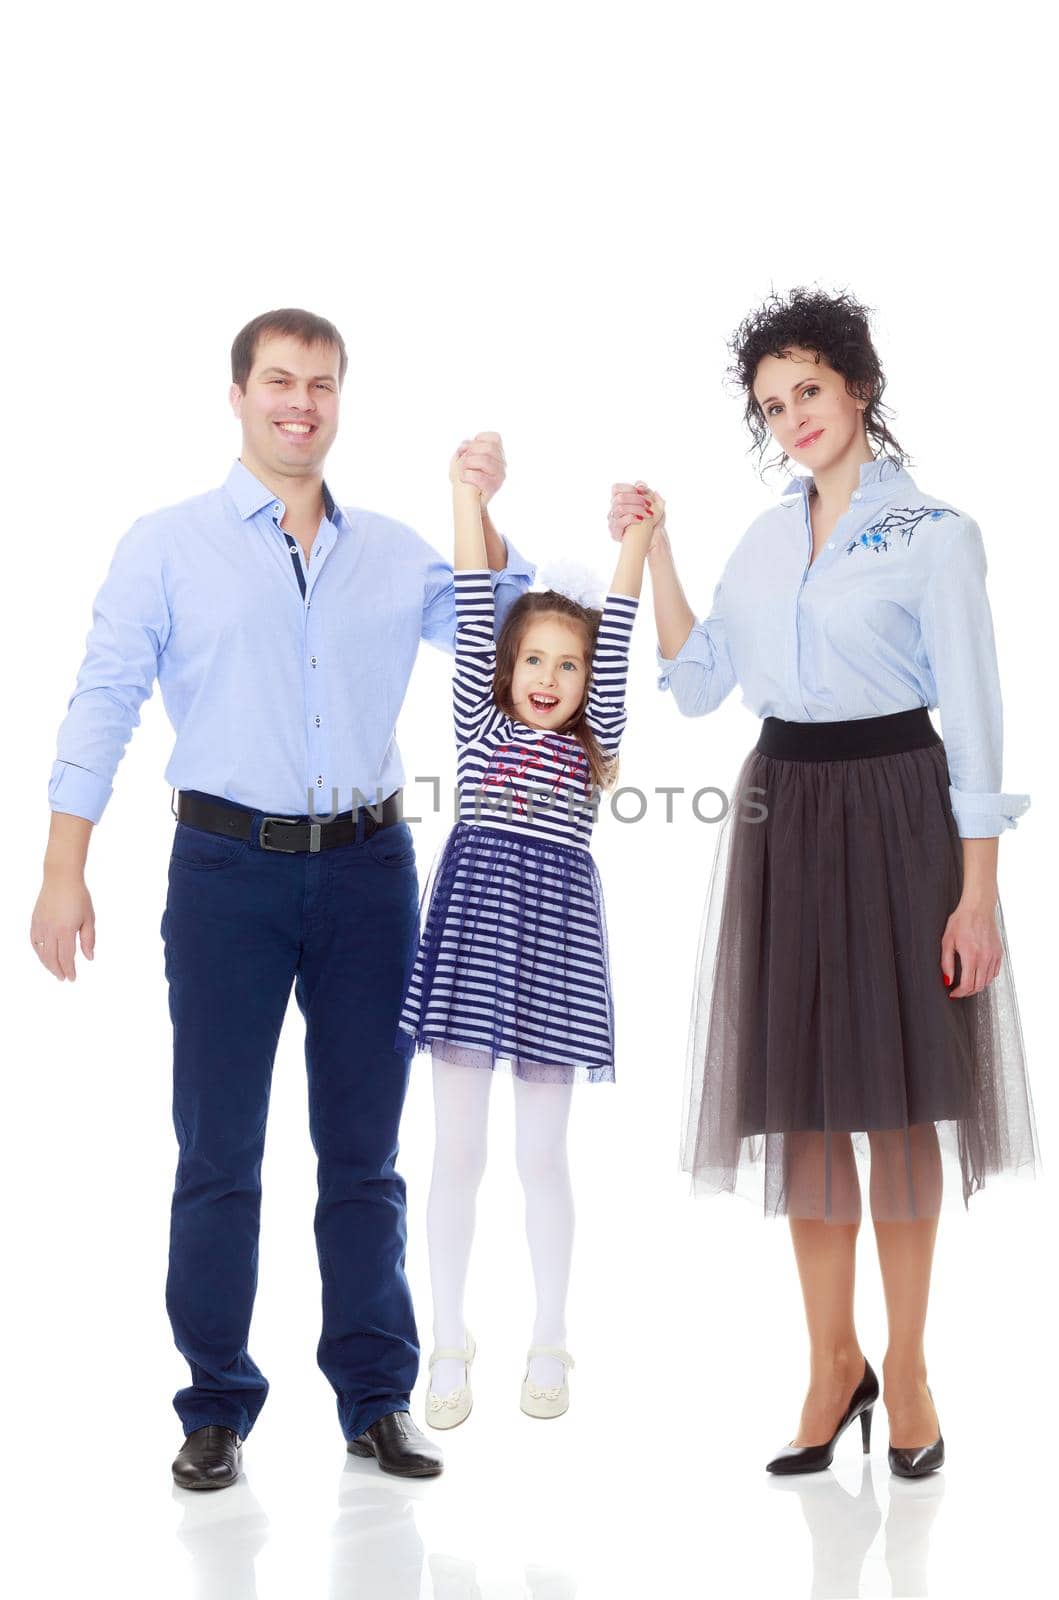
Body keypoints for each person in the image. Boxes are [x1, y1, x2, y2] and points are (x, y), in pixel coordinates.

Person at [30, 307, 534, 1488]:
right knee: (219, 1151)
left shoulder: (399, 549)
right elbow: (103, 698)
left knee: (363, 1152)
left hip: (368, 875)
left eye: (320, 383)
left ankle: (375, 1397)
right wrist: (65, 865)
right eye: (277, 381)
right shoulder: (166, 545)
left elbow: (505, 631)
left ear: (340, 400)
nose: (298, 401)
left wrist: (481, 505)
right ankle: (214, 1404)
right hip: (225, 877)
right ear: (238, 395)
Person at [610, 286, 1038, 1479]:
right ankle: (827, 1364)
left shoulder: (936, 534)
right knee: (800, 1109)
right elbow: (697, 686)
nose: (791, 416)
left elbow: (982, 723)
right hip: (784, 811)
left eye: (807, 390)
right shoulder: (760, 537)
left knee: (899, 1108)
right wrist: (657, 553)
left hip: (899, 808)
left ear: (857, 386)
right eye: (770, 404)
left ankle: (905, 1370)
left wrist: (975, 892)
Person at [396, 444, 658, 1426]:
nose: (550, 678)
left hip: (553, 945)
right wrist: (465, 492)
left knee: (541, 1158)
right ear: (505, 670)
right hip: (469, 939)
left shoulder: (596, 741)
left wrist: (633, 537)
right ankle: (447, 1340)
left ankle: (549, 1338)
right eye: (534, 661)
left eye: (570, 663)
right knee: (455, 1152)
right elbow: (472, 594)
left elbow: (622, 631)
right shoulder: (478, 723)